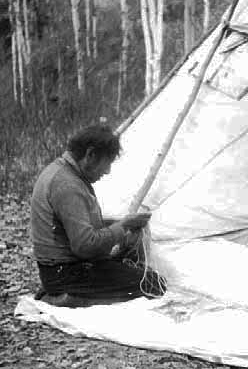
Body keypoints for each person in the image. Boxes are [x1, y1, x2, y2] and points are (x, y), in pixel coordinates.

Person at [30, 124, 166, 307]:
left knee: (135, 271)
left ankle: (67, 293)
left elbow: (78, 226)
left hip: (58, 270)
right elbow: (85, 246)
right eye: (107, 163)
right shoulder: (67, 185)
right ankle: (68, 299)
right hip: (66, 272)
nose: (107, 171)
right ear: (90, 155)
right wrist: (123, 227)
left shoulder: (61, 172)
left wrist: (122, 224)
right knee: (153, 285)